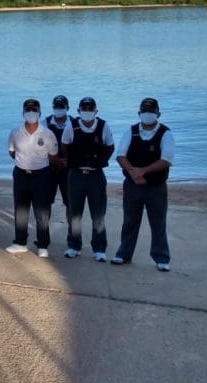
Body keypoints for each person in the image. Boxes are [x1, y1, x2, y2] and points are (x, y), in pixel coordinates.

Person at [113, 98, 176, 271]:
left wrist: (143, 171)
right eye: (145, 111)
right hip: (133, 186)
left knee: (158, 223)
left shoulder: (165, 133)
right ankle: (124, 255)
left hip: (156, 187)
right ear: (139, 113)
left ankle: (161, 258)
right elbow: (120, 155)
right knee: (129, 222)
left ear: (158, 114)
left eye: (151, 111)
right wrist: (134, 173)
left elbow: (166, 160)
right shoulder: (131, 131)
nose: (148, 114)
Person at [61, 96, 115, 262]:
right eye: (84, 108)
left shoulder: (104, 126)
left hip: (95, 176)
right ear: (79, 111)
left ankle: (99, 249)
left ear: (95, 111)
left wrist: (98, 162)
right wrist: (74, 161)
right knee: (74, 213)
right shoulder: (71, 125)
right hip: (76, 176)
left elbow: (110, 147)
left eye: (90, 108)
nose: (87, 111)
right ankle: (74, 246)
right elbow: (64, 145)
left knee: (98, 214)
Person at [6, 99, 58, 257]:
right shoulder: (15, 132)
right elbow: (12, 152)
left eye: (34, 110)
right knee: (21, 210)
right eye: (28, 110)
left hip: (41, 175)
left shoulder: (47, 134)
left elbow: (53, 157)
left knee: (41, 212)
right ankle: (20, 243)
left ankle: (43, 246)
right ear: (23, 113)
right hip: (21, 174)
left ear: (39, 113)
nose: (31, 113)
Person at [44, 94, 70, 218]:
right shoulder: (44, 123)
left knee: (70, 202)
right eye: (56, 106)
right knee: (45, 202)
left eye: (61, 106)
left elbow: (78, 147)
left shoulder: (74, 123)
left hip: (68, 168)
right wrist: (53, 160)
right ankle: (44, 230)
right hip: (49, 168)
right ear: (53, 107)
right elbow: (39, 147)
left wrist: (68, 160)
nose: (59, 108)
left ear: (67, 107)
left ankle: (72, 230)